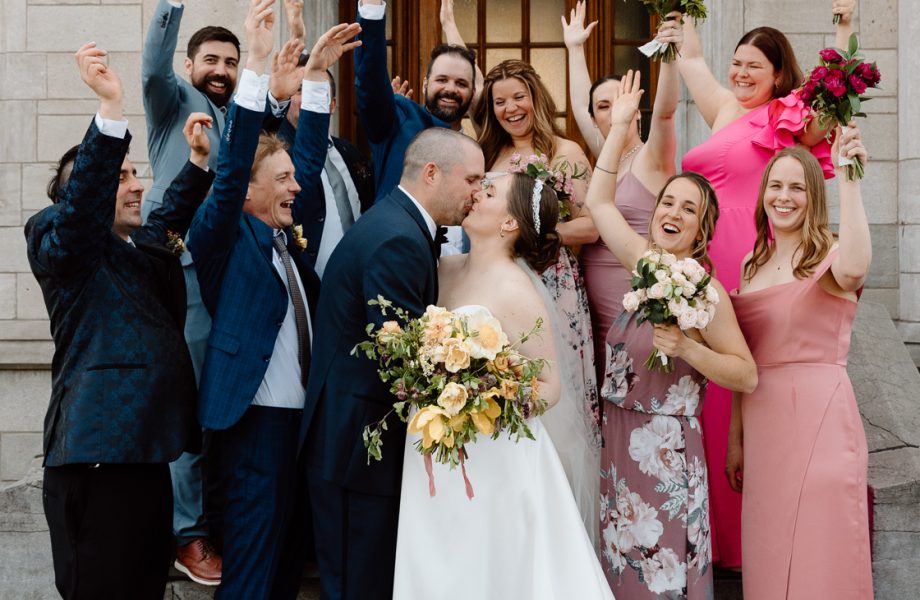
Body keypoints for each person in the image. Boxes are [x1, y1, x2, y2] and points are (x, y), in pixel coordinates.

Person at [26, 43, 214, 599]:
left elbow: (169, 218)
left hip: (147, 454)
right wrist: (109, 110)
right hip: (96, 458)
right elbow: (84, 206)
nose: (136, 185)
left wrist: (198, 161)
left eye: (136, 173)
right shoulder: (58, 239)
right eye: (122, 176)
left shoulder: (133, 247)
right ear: (75, 197)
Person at [674, 0, 856, 567]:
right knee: (710, 391)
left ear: (779, 73)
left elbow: (841, 89)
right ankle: (721, 539)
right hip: (709, 263)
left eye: (755, 65)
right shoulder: (727, 109)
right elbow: (693, 60)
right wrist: (678, 21)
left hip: (754, 266)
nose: (742, 73)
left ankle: (764, 544)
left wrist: (845, 28)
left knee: (743, 381)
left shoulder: (792, 115)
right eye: (738, 63)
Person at [186, 10, 355, 593]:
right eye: (279, 180)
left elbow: (306, 160)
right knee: (252, 576)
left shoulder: (286, 239)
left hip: (296, 429)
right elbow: (230, 171)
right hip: (250, 427)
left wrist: (315, 81)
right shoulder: (223, 237)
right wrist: (255, 66)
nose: (294, 187)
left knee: (284, 571)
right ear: (250, 192)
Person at [393, 172, 613, 600]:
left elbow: (550, 385)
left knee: (486, 562)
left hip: (492, 456)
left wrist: (486, 399)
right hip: (433, 442)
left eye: (489, 192)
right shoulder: (443, 267)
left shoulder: (517, 291)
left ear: (510, 223)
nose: (476, 193)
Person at [586, 71, 757, 598]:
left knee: (662, 579)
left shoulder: (707, 293)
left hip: (666, 453)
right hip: (615, 439)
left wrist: (687, 347)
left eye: (689, 209)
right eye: (668, 202)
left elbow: (746, 374)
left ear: (702, 229)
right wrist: (618, 130)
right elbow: (598, 203)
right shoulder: (641, 262)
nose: (673, 213)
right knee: (619, 571)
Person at [143, 0, 293, 579]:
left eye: (231, 62)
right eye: (211, 60)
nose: (223, 70)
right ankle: (188, 533)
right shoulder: (171, 103)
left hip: (236, 274)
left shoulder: (243, 117)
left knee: (222, 401)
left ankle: (222, 520)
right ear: (191, 65)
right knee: (189, 402)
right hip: (183, 276)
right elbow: (152, 68)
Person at [301, 127, 484, 600]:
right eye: (472, 180)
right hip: (356, 449)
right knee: (356, 582)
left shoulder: (398, 224)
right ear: (431, 173)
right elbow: (399, 355)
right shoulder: (398, 239)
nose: (477, 194)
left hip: (357, 443)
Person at [730, 132, 873, 598]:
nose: (784, 197)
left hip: (820, 422)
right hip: (763, 426)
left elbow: (855, 269)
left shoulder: (830, 255)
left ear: (814, 195)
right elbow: (742, 358)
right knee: (769, 557)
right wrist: (737, 438)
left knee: (820, 554)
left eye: (797, 187)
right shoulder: (752, 262)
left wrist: (848, 180)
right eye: (775, 185)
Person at [471, 58, 599, 534]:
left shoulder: (564, 151)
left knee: (553, 386)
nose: (510, 108)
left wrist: (542, 233)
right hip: (497, 282)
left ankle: (559, 515)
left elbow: (592, 223)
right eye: (499, 101)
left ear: (536, 97)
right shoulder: (486, 156)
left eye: (517, 97)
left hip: (553, 280)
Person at [563, 2, 682, 388]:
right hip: (590, 308)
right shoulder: (605, 159)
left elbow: (665, 113)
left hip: (634, 302)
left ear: (637, 110)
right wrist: (575, 49)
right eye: (604, 106)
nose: (614, 111)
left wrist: (668, 54)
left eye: (622, 101)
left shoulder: (652, 158)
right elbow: (584, 107)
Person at [273, 54, 375, 277]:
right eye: (300, 91)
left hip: (358, 279)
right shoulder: (277, 157)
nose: (308, 99)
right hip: (309, 279)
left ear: (332, 104)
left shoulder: (349, 152)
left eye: (316, 91)